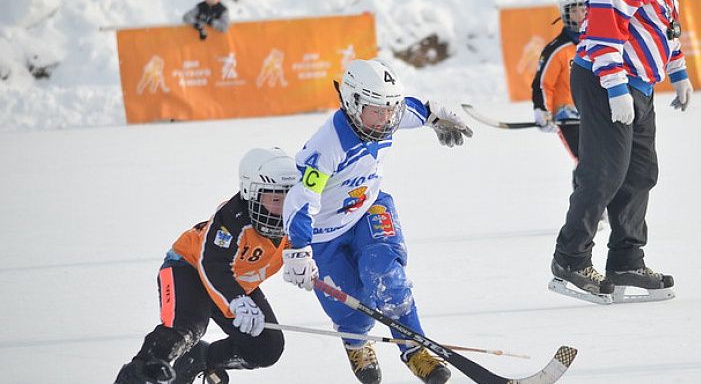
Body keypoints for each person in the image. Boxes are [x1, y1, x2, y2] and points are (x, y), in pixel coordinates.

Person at [281, 59, 473, 384]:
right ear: (354, 104)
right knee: (350, 307)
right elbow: (301, 199)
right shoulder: (326, 146)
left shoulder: (385, 116)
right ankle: (355, 341)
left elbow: (411, 109)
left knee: (386, 277)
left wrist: (435, 115)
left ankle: (415, 347)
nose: (386, 120)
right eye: (377, 111)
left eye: (390, 110)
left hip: (369, 209)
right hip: (323, 234)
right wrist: (297, 249)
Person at [550, 0, 690, 304]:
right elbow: (602, 34)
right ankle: (571, 258)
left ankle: (626, 260)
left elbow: (665, 25)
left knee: (640, 173)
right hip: (606, 79)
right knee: (603, 173)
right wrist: (615, 88)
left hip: (640, 83)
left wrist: (678, 69)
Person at [114, 148, 316, 384]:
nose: (284, 209)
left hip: (234, 284)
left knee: (267, 346)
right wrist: (236, 300)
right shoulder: (230, 219)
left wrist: (309, 263)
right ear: (251, 193)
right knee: (186, 329)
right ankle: (139, 374)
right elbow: (212, 266)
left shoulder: (297, 221)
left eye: (289, 198)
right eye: (274, 200)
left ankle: (200, 359)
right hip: (188, 270)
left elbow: (318, 245)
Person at [532, 0, 586, 162]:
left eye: (583, 9)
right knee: (587, 164)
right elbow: (542, 83)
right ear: (564, 14)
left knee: (608, 163)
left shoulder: (595, 45)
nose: (579, 16)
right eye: (574, 11)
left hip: (595, 115)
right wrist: (542, 109)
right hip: (568, 118)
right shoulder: (557, 49)